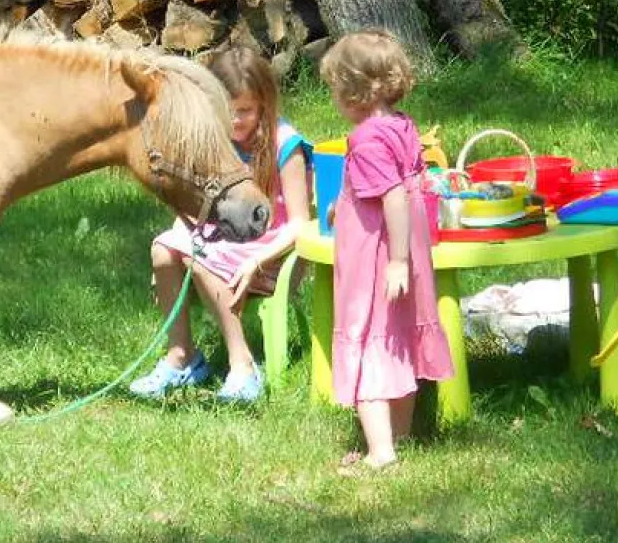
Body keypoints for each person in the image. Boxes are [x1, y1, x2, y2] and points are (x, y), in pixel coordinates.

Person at [129, 46, 314, 403]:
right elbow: (196, 211)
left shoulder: (285, 144)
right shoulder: (215, 142)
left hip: (270, 254)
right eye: (226, 110)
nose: (235, 120)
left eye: (245, 110)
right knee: (164, 249)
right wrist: (175, 242)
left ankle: (243, 365)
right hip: (224, 241)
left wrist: (256, 260)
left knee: (196, 256)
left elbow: (300, 224)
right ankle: (181, 356)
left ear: (264, 104)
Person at [319, 29, 455, 473]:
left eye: (335, 89)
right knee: (397, 340)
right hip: (404, 249)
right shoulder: (402, 126)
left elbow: (393, 196)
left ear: (353, 91)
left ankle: (381, 451)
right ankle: (402, 435)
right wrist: (343, 203)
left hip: (376, 259)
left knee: (369, 341)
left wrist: (396, 260)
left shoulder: (366, 139)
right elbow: (386, 188)